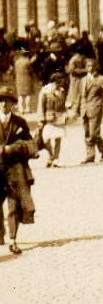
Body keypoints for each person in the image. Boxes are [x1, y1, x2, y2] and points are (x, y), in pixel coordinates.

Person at [0, 86, 37, 254]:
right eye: (1, 101)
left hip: (16, 169)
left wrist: (13, 148)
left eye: (7, 101)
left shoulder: (20, 122)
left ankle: (13, 239)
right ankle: (0, 233)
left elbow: (31, 145)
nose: (3, 104)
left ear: (13, 104)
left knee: (14, 204)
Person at [72, 59, 103, 162]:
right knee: (87, 132)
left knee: (93, 133)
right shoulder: (83, 79)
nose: (90, 68)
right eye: (88, 66)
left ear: (96, 67)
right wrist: (75, 110)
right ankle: (90, 155)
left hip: (95, 109)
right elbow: (80, 96)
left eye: (91, 66)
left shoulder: (101, 79)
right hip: (84, 109)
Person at [37, 72, 68, 167]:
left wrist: (66, 114)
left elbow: (63, 105)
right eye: (60, 82)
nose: (62, 84)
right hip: (49, 119)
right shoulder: (45, 91)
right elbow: (41, 106)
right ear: (55, 81)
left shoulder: (62, 91)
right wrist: (41, 118)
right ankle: (51, 156)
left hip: (60, 118)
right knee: (46, 139)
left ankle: (56, 158)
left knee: (58, 139)